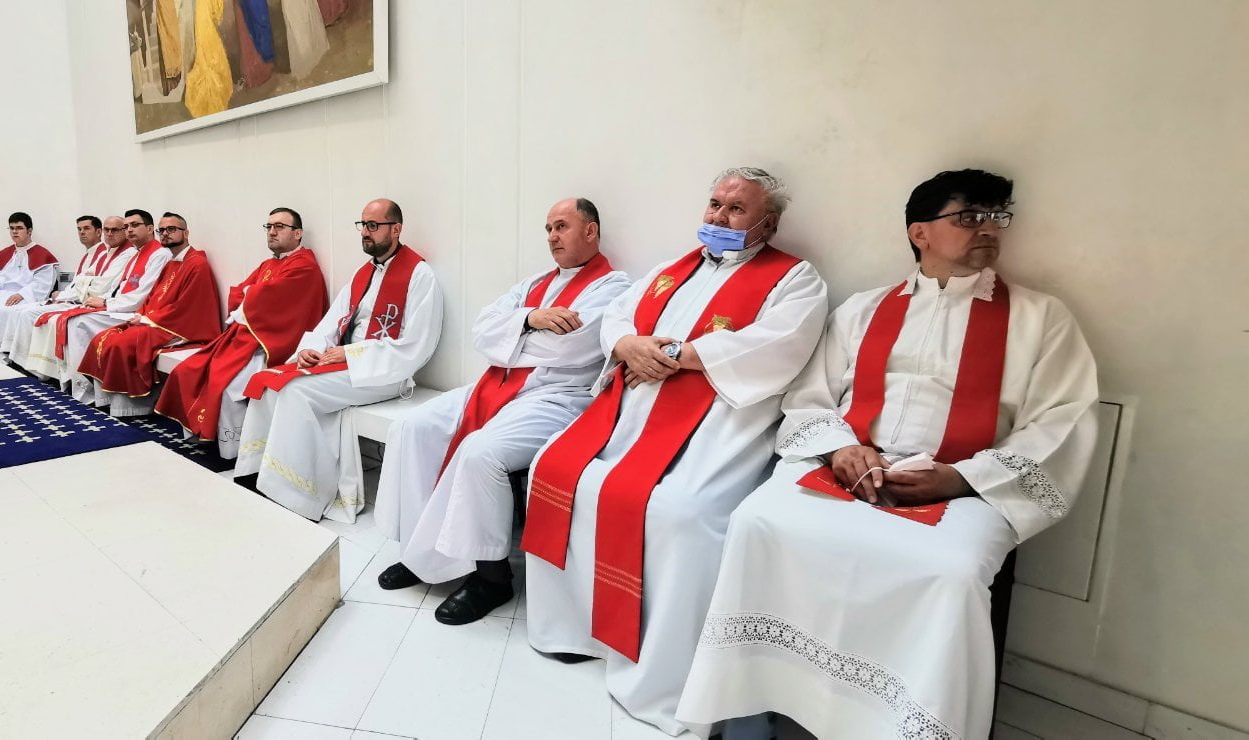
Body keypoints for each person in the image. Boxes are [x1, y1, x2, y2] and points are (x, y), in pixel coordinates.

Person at [677, 169, 1100, 740]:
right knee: (758, 522)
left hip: (968, 482)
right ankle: (751, 710)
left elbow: (1061, 420)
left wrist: (962, 477)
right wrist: (840, 448)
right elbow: (810, 396)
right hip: (852, 463)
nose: (989, 230)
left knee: (950, 572)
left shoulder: (1040, 317)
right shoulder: (863, 309)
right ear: (919, 232)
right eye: (969, 217)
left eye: (997, 217)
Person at [521, 168, 829, 737]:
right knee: (555, 468)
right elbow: (618, 316)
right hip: (629, 409)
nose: (719, 216)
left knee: (678, 514)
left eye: (736, 209)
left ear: (768, 224)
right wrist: (627, 344)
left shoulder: (795, 278)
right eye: (714, 204)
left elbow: (778, 345)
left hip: (716, 424)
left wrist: (680, 356)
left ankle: (663, 676)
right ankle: (572, 630)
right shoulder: (671, 269)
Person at [371, 198, 631, 625]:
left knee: (482, 453)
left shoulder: (614, 286)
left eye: (562, 226)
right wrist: (531, 320)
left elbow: (571, 348)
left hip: (557, 397)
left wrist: (512, 338)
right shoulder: (534, 285)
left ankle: (491, 578)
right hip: (497, 383)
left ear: (591, 231)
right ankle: (422, 551)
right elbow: (482, 332)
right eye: (548, 228)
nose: (552, 236)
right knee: (411, 426)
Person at [234, 198, 442, 523]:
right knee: (269, 379)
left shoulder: (419, 275)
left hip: (384, 372)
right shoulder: (363, 274)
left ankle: (297, 492)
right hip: (347, 363)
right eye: (363, 225)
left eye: (373, 226)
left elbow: (417, 345)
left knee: (295, 392)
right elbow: (332, 321)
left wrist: (350, 353)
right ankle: (256, 470)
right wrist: (311, 348)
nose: (366, 232)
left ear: (396, 229)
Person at [150, 207, 328, 447]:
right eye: (269, 227)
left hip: (273, 344)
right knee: (189, 369)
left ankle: (233, 447)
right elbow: (239, 292)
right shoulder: (269, 264)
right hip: (247, 336)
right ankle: (202, 430)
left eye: (279, 227)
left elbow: (265, 299)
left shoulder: (304, 265)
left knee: (228, 386)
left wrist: (249, 295)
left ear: (298, 233)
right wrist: (249, 295)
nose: (272, 232)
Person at [76, 209, 240, 417]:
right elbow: (153, 295)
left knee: (122, 344)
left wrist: (148, 318)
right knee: (104, 337)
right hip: (158, 321)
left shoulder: (196, 264)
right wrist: (143, 314)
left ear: (186, 233)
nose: (165, 234)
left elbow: (188, 308)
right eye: (162, 230)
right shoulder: (172, 262)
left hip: (182, 327)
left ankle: (132, 407)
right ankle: (106, 400)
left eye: (171, 229)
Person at [21, 209, 170, 388]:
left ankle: (82, 386)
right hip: (119, 306)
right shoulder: (137, 254)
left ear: (150, 229)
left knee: (75, 323)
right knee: (64, 319)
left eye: (134, 225)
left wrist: (106, 302)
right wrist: (104, 299)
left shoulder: (159, 254)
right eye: (127, 226)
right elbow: (118, 286)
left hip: (132, 311)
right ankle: (60, 375)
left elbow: (142, 294)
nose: (129, 230)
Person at [0, 215, 127, 365]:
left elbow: (95, 286)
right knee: (19, 312)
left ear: (98, 232)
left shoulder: (106, 252)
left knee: (30, 315)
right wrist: (70, 290)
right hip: (73, 298)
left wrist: (62, 295)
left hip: (83, 302)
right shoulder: (93, 253)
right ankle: (17, 357)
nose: (82, 232)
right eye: (79, 229)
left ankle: (26, 361)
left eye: (86, 228)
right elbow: (79, 283)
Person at [0, 212, 59, 361]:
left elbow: (43, 283)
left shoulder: (43, 255)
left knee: (13, 312)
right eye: (12, 228)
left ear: (29, 231)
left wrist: (22, 294)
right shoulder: (3, 254)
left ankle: (10, 359)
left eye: (19, 228)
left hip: (27, 297)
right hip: (1, 294)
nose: (15, 232)